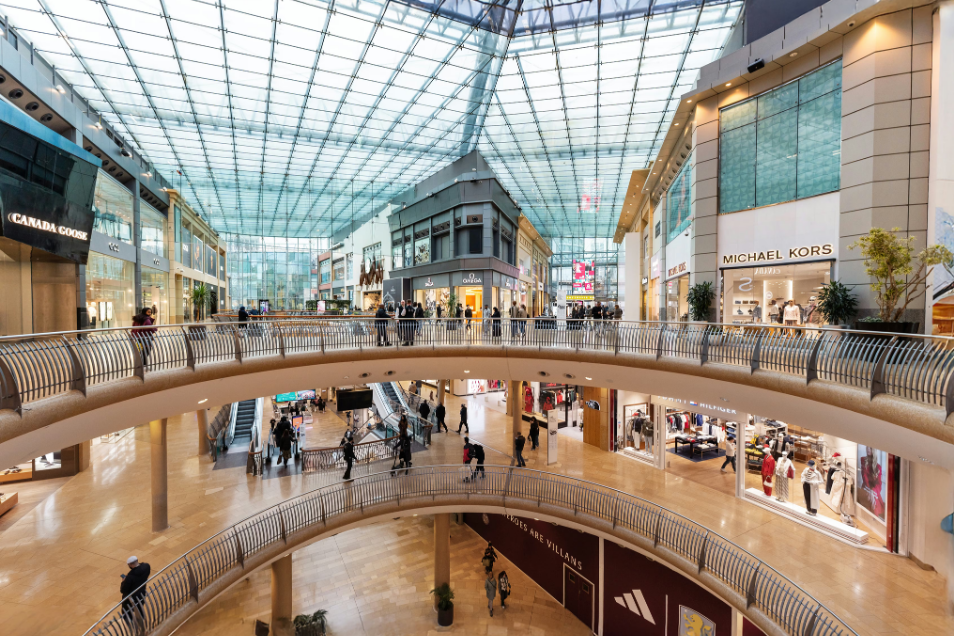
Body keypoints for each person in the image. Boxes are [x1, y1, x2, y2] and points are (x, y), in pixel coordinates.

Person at [120, 556, 151, 621]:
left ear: (130, 565)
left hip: (130, 598)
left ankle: (131, 626)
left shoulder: (130, 576)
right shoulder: (147, 567)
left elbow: (123, 590)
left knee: (127, 613)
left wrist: (123, 581)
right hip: (141, 594)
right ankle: (142, 624)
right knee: (140, 609)